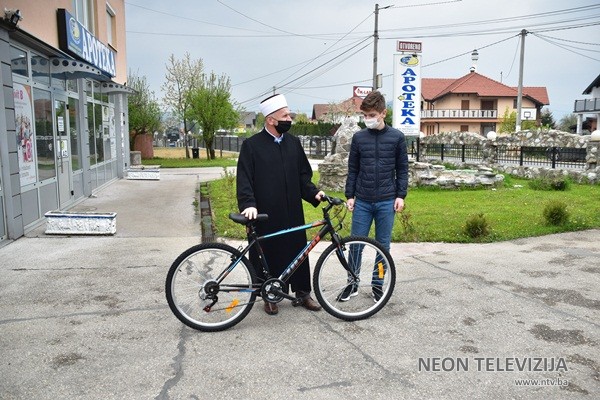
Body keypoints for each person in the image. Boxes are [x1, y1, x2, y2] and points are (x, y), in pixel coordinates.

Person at [236, 93, 325, 315]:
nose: (289, 119)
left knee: (298, 251)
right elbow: (244, 180)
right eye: (285, 116)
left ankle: (303, 292)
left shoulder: (293, 143)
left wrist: (314, 193)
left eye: (288, 115)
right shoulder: (252, 146)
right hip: (266, 212)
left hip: (292, 211)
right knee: (268, 252)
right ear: (270, 120)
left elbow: (303, 177)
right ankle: (269, 294)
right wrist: (248, 204)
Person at [342, 90, 409, 302]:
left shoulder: (397, 138)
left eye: (372, 115)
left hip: (387, 201)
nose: (368, 119)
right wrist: (350, 195)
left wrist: (400, 195)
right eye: (365, 115)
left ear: (383, 113)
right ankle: (352, 283)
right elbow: (353, 169)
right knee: (356, 245)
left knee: (383, 247)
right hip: (362, 200)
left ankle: (378, 284)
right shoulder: (359, 138)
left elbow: (403, 169)